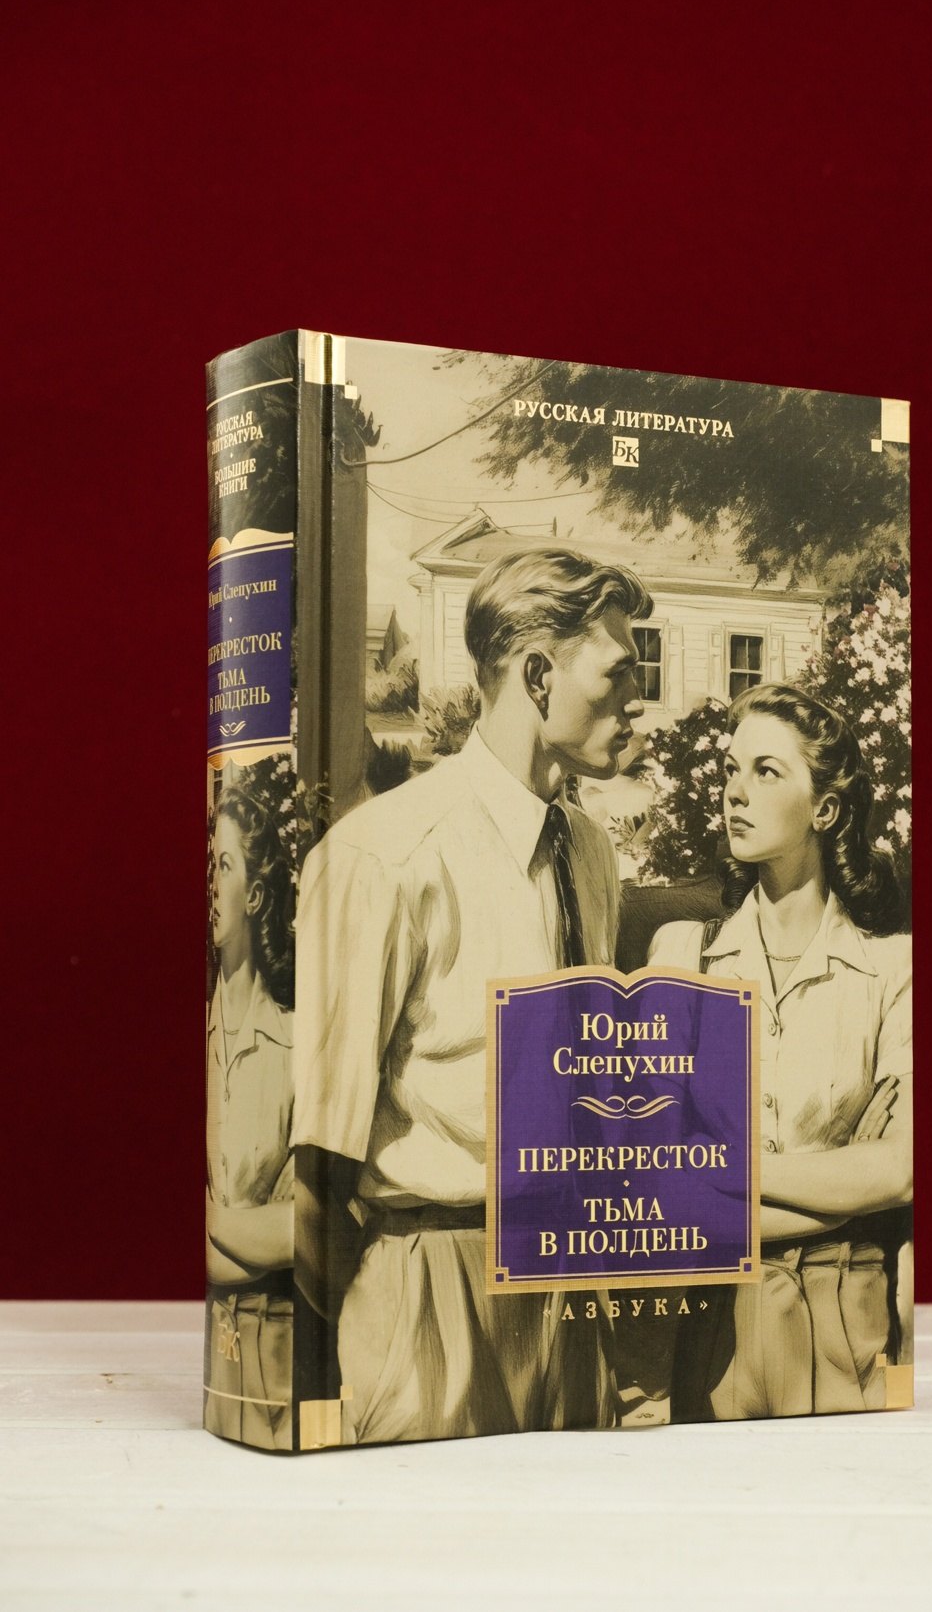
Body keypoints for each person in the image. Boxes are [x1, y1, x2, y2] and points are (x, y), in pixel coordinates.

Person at [293, 547, 652, 1444]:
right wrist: (392, 1333)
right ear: (537, 676)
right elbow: (318, 1176)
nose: (638, 698)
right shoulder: (383, 855)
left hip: (570, 1287)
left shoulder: (589, 852)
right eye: (618, 672)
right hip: (429, 1288)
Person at [648, 683, 912, 1419]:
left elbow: (901, 1170)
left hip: (850, 1327)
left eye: (766, 772)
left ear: (825, 809)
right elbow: (659, 1185)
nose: (735, 792)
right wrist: (840, 1194)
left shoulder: (894, 969)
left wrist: (726, 1173)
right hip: (710, 1331)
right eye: (731, 770)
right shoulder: (683, 956)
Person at [204, 784, 296, 1450]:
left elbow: (299, 1231)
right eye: (207, 863)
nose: (209, 882)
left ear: (256, 897)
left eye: (225, 865)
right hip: (212, 1345)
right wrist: (247, 1231)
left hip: (279, 1358)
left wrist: (206, 1220)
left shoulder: (296, 1046)